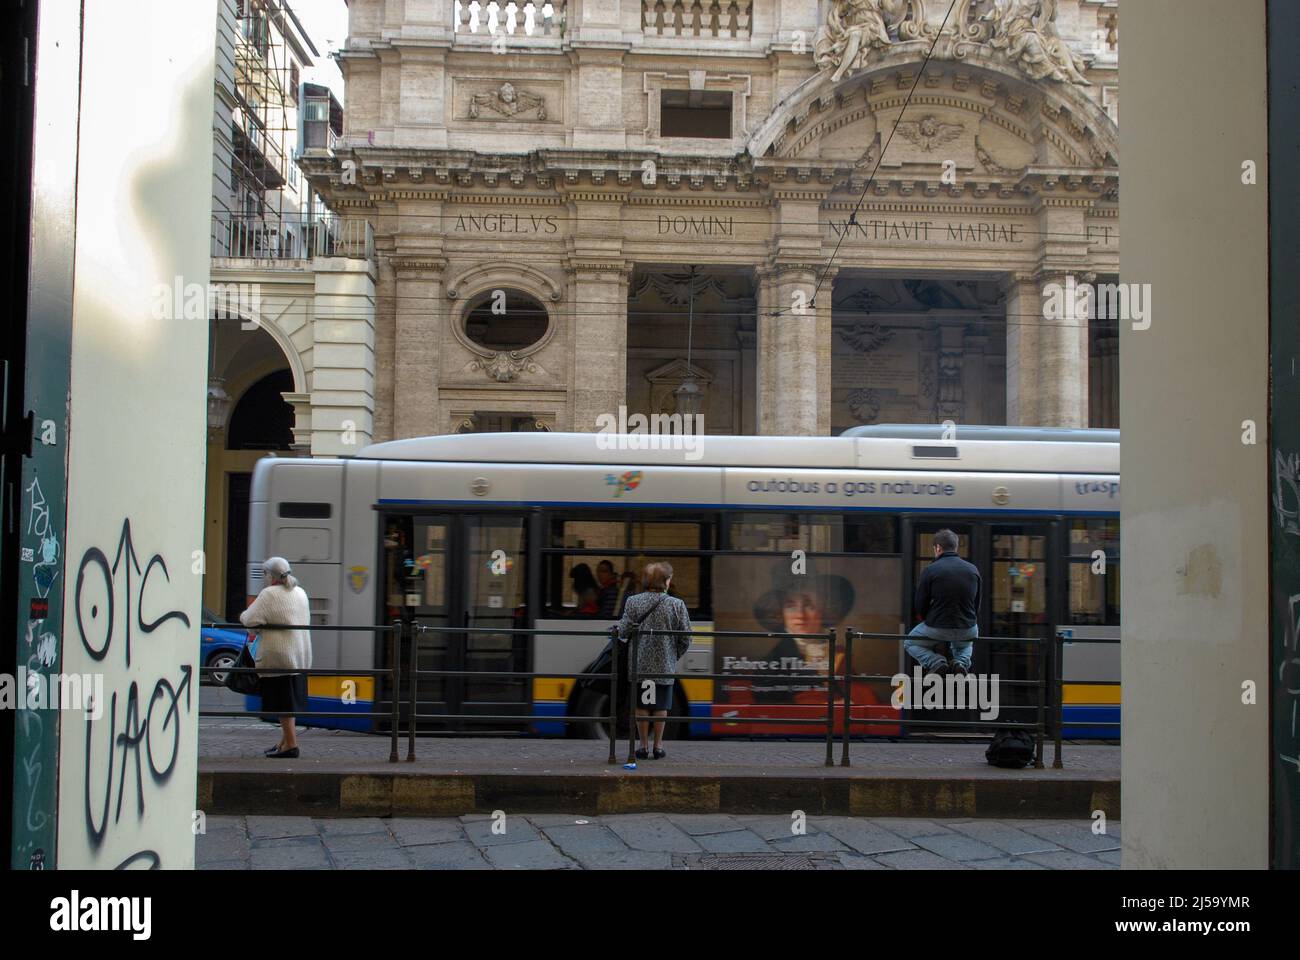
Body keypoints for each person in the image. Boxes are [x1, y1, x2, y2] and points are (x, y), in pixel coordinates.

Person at [240, 556, 312, 758]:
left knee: (282, 702)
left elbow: (249, 619)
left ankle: (290, 745)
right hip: (300, 654)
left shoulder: (269, 594)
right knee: (288, 701)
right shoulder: (300, 592)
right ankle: (284, 742)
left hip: (279, 655)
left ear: (270, 575)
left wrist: (244, 617)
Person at [618, 561, 691, 760]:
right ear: (666, 581)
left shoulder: (633, 601)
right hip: (664, 664)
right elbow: (686, 636)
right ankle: (658, 747)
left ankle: (642, 746)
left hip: (640, 662)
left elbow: (623, 631)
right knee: (661, 706)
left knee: (642, 704)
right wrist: (673, 655)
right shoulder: (676, 605)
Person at [905, 529, 981, 676]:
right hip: (966, 627)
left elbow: (920, 605)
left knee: (909, 642)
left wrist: (929, 619)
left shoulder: (930, 570)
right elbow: (976, 605)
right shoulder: (973, 570)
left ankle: (936, 662)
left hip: (937, 627)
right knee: (966, 644)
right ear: (955, 547)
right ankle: (960, 662)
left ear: (938, 547)